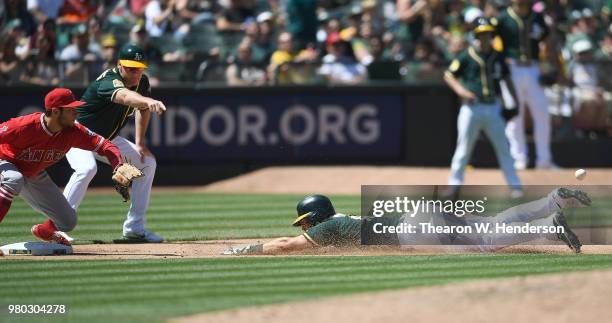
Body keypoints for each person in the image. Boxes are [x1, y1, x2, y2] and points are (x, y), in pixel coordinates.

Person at [223, 188, 590, 256]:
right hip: (418, 215)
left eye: (305, 221)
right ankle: (552, 201)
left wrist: (243, 250)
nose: (304, 228)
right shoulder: (342, 220)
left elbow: (287, 246)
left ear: (315, 217)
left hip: (413, 229)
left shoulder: (329, 227)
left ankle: (548, 227)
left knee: (484, 244)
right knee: (491, 224)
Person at [62, 43, 167, 243]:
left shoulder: (142, 82)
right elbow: (126, 97)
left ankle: (134, 228)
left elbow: (142, 109)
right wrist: (145, 101)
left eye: (139, 68)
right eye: (130, 68)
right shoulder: (110, 81)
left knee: (147, 163)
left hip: (106, 139)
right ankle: (56, 227)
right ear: (120, 65)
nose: (135, 73)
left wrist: (140, 142)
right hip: (78, 134)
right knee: (86, 169)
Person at [0, 88, 123, 245]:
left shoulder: (73, 131)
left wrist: (117, 165)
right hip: (5, 162)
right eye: (71, 110)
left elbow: (105, 145)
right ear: (56, 111)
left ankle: (45, 231)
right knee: (13, 178)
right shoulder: (24, 126)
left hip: (33, 173)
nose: (76, 113)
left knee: (67, 221)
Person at [444, 18, 522, 195]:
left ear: (492, 35)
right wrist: (462, 92)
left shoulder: (498, 57)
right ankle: (454, 184)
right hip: (472, 107)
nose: (484, 38)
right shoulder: (467, 55)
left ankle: (515, 186)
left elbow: (507, 79)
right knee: (463, 148)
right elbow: (449, 75)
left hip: (493, 107)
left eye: (487, 34)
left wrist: (515, 102)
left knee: (504, 148)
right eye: (481, 34)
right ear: (476, 36)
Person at [495, 0, 556, 169]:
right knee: (515, 114)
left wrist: (549, 66)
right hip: (512, 68)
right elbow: (492, 43)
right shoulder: (503, 18)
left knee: (542, 112)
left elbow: (547, 40)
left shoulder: (537, 17)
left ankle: (544, 160)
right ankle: (519, 158)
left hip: (533, 67)